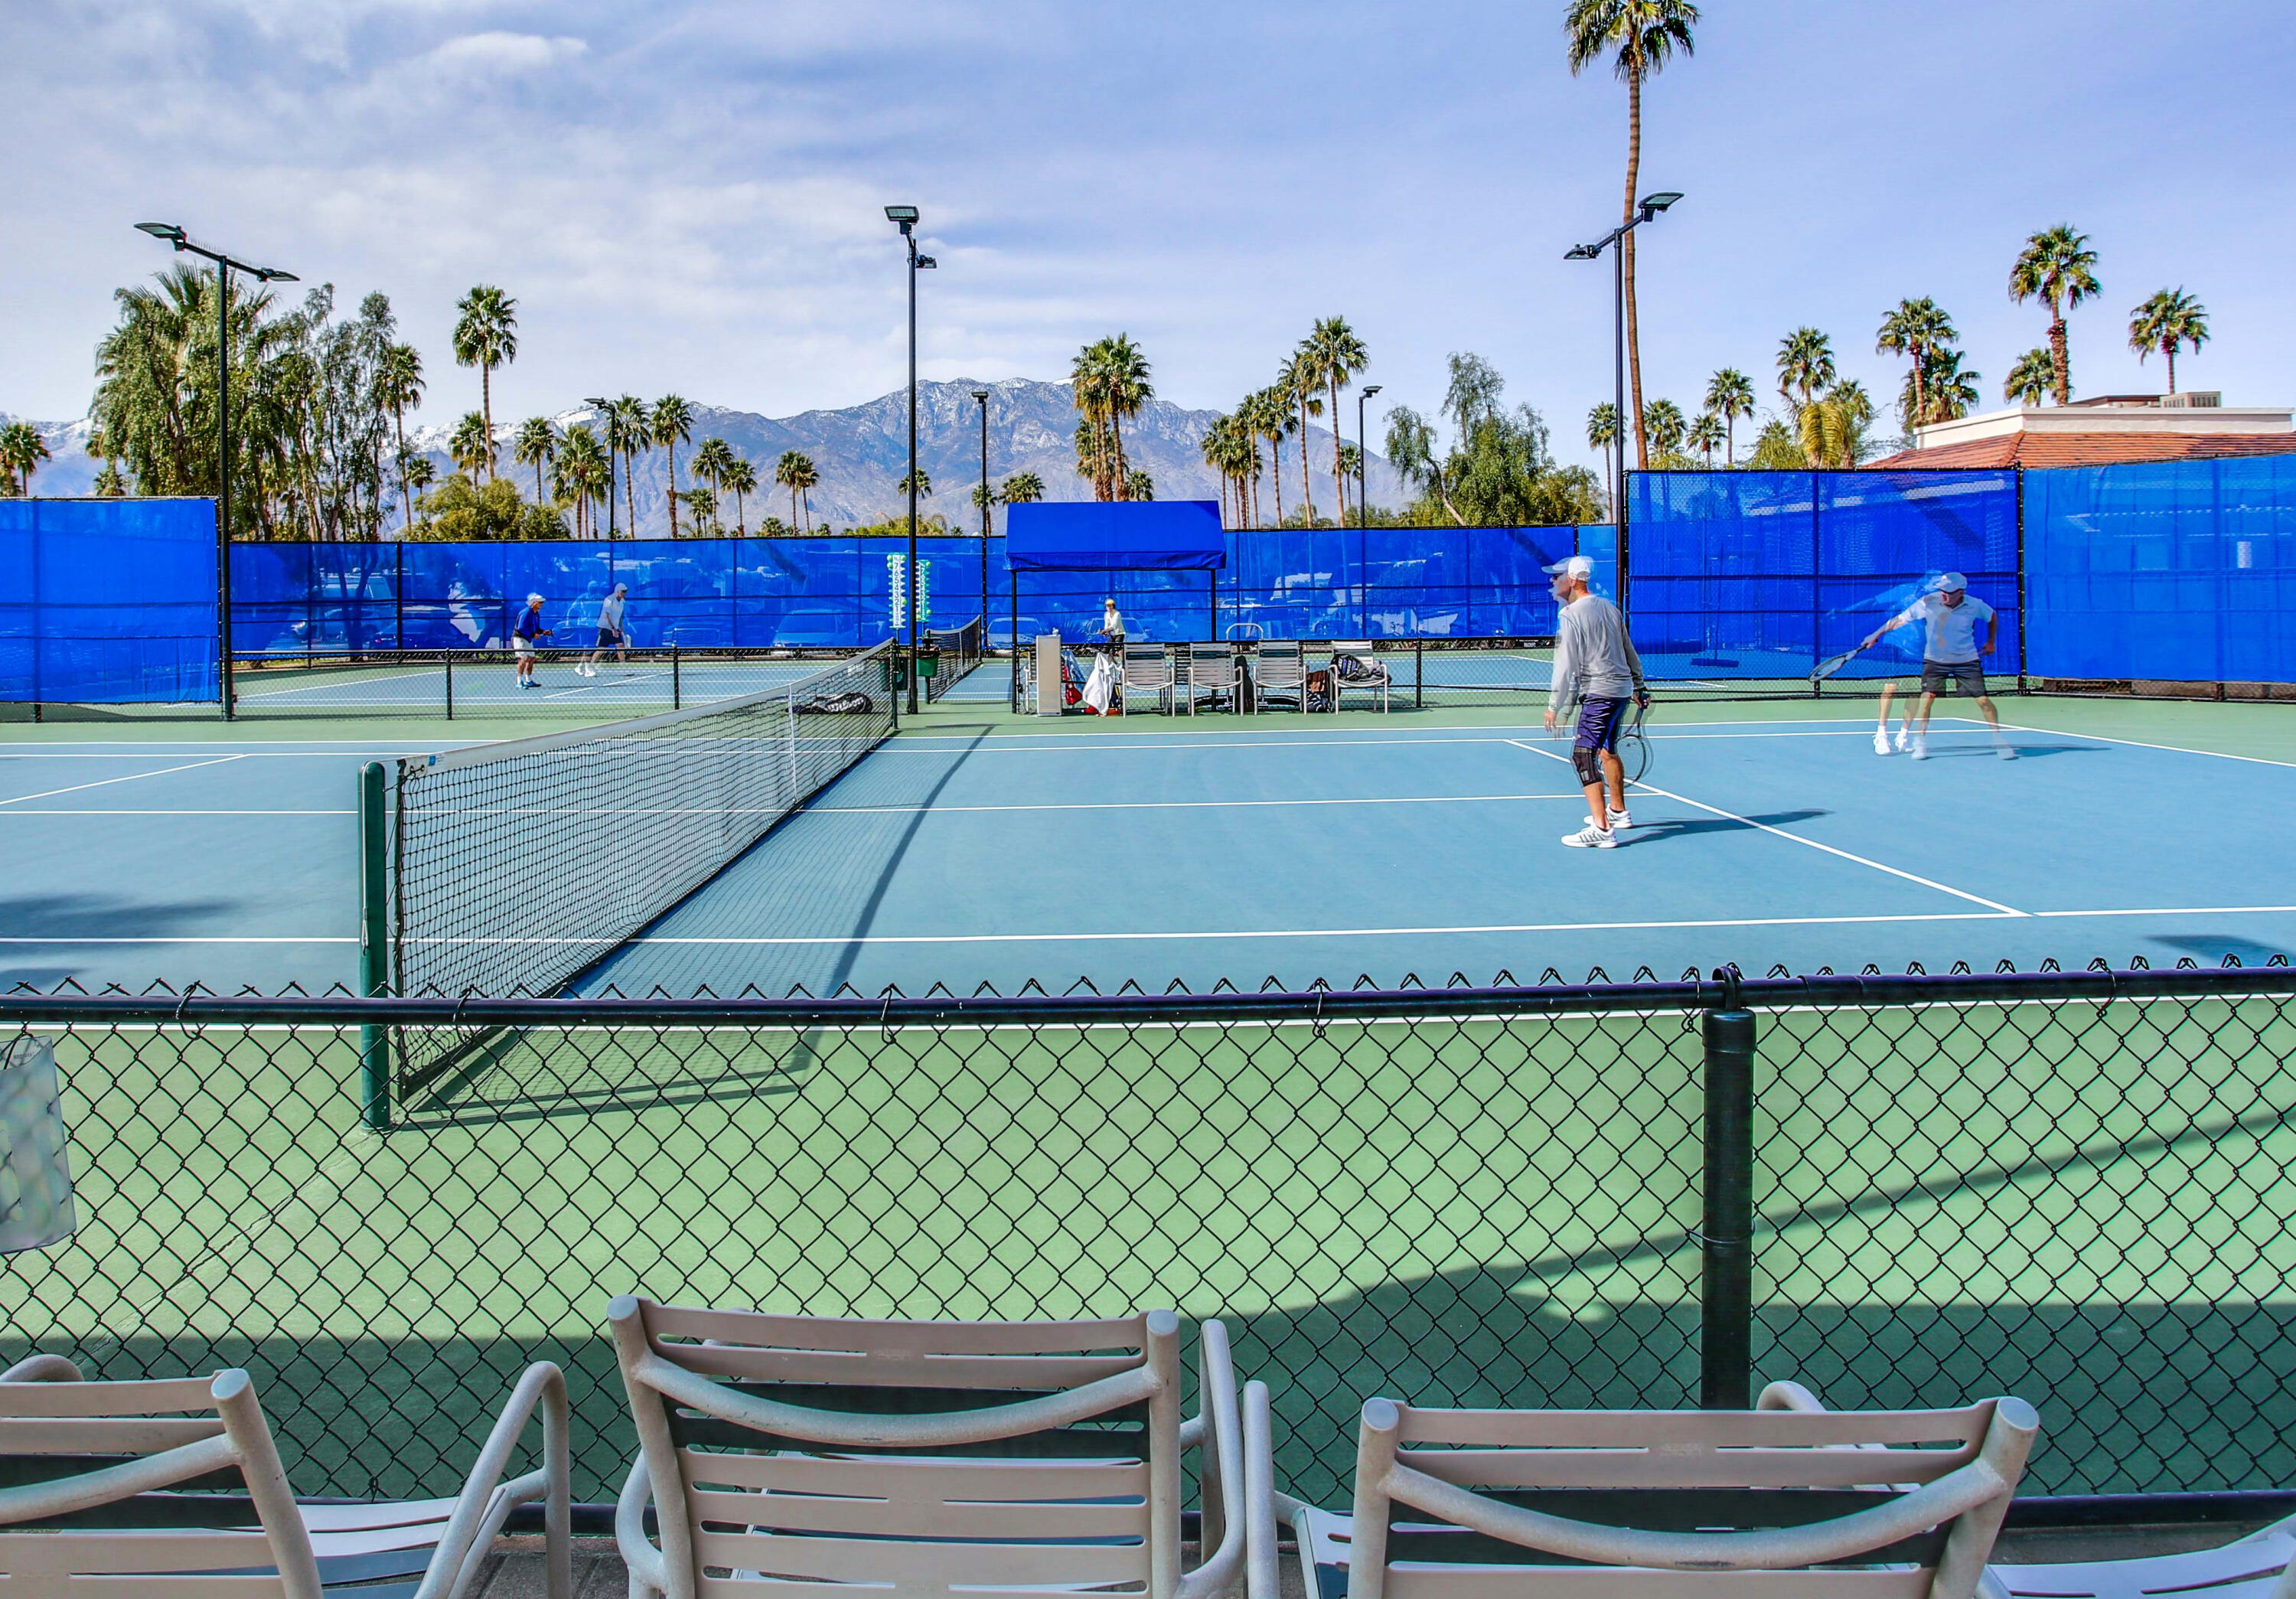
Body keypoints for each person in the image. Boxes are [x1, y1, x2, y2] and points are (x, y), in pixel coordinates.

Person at [1543, 554, 1648, 849]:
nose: (1552, 581)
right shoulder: (1610, 607)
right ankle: (1617, 812)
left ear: (1573, 580)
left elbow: (1565, 666)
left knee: (1582, 755)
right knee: (1605, 749)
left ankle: (1601, 828)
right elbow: (1629, 651)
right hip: (1621, 691)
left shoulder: (1570, 615)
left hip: (1600, 693)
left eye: (1557, 576)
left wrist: (1556, 706)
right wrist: (1639, 687)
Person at [1860, 573, 2014, 759]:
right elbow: (1900, 619)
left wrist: (1991, 642)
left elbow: (1992, 617)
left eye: (1948, 592)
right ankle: (1920, 743)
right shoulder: (1927, 602)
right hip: (1935, 660)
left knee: (1983, 701)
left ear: (1961, 592)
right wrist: (1875, 634)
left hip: (1966, 660)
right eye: (1942, 590)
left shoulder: (1975, 605)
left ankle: (1998, 740)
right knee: (1927, 698)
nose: (1944, 595)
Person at [580, 583, 629, 678]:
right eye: (622, 591)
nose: (624, 593)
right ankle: (590, 668)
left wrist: (621, 627)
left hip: (615, 629)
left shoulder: (622, 602)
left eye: (625, 591)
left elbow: (618, 616)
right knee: (602, 649)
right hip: (605, 628)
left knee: (620, 647)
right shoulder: (609, 600)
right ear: (617, 591)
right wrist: (613, 628)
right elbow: (607, 616)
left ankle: (623, 669)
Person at [512, 592, 552, 690]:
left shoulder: (536, 614)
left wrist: (544, 632)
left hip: (528, 639)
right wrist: (532, 635)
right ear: (534, 603)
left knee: (531, 659)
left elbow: (536, 628)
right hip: (520, 639)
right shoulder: (526, 613)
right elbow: (521, 628)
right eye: (540, 602)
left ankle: (528, 680)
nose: (542, 604)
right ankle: (519, 681)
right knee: (524, 658)